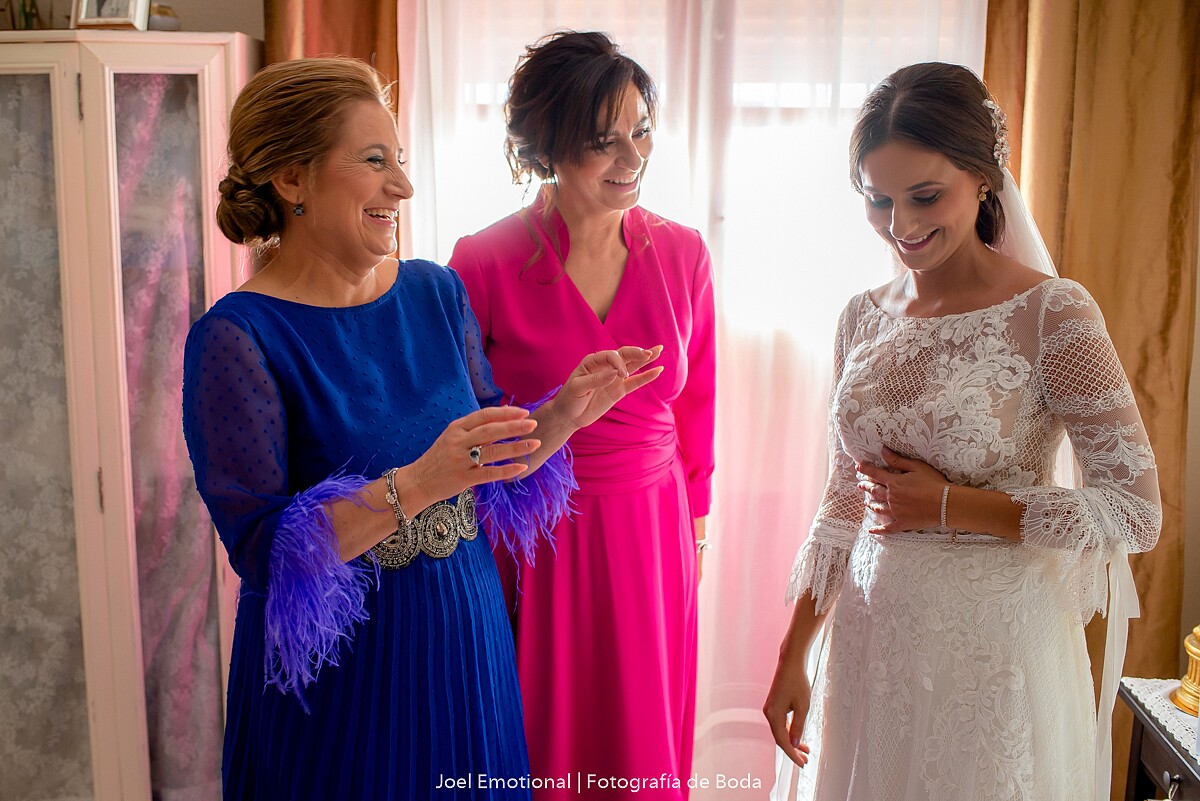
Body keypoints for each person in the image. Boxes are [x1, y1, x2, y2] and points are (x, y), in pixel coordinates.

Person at [182, 56, 664, 801]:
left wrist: (562, 412)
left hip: (464, 642)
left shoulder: (436, 292)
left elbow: (485, 457)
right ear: (292, 180)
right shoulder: (237, 337)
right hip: (342, 683)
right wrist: (422, 481)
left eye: (400, 161)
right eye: (375, 162)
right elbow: (266, 553)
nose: (402, 187)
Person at [763, 62, 1161, 801]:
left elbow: (1134, 511)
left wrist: (950, 506)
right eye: (878, 200)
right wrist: (794, 654)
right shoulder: (861, 315)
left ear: (983, 180)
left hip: (995, 660)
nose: (902, 226)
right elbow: (844, 494)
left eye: (925, 196)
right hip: (873, 646)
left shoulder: (1054, 314)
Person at [449, 31, 715, 800]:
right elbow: (460, 425)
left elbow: (698, 409)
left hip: (651, 529)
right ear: (550, 147)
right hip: (539, 534)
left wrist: (693, 528)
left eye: (641, 132)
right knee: (543, 737)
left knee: (641, 733)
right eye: (605, 142)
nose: (632, 159)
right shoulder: (485, 259)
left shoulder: (685, 253)